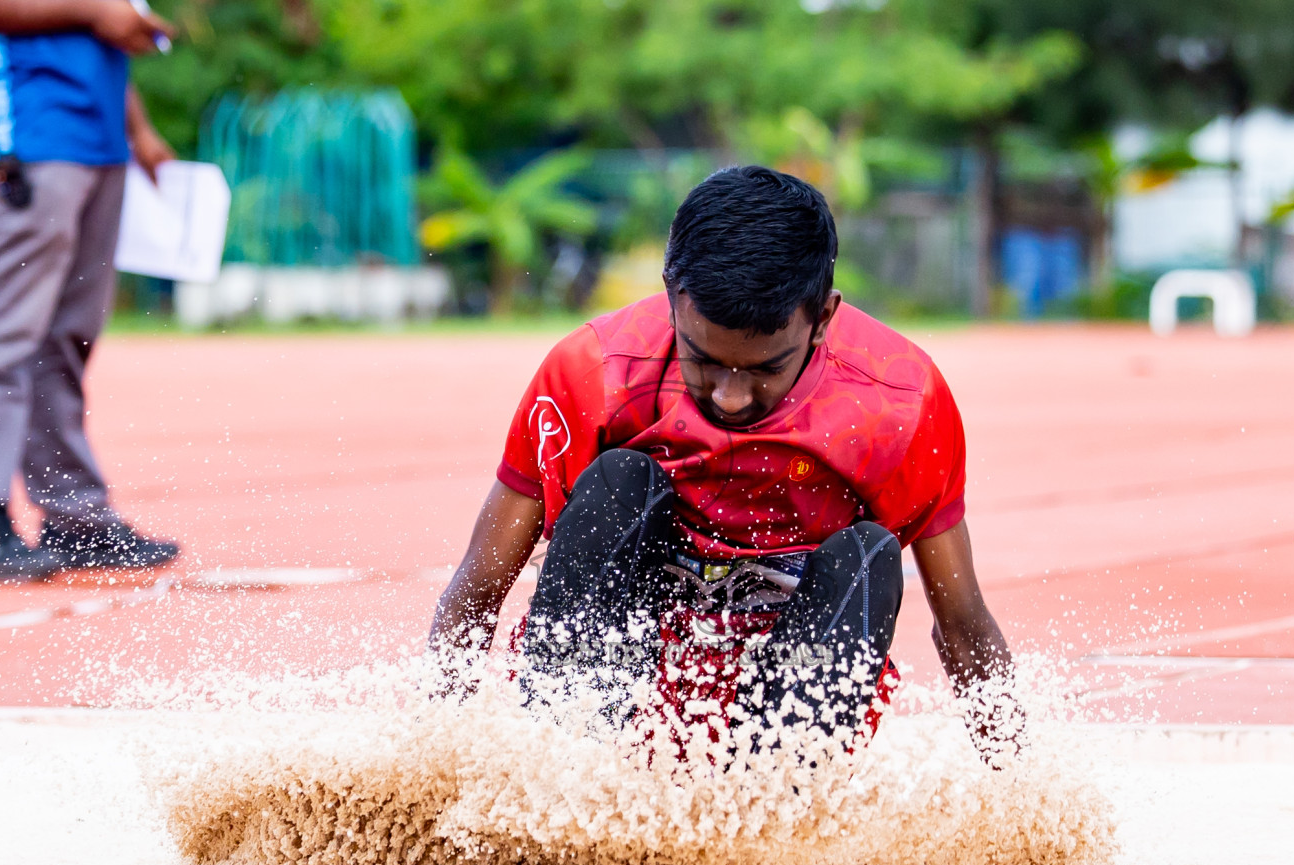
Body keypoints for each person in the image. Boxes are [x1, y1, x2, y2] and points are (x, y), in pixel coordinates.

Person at [429, 166, 1025, 766]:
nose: (730, 397)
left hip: (795, 686)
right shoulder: (596, 371)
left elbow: (964, 622)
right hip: (626, 677)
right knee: (620, 485)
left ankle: (770, 811)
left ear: (822, 319)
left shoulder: (899, 403)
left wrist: (1022, 795)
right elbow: (476, 589)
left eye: (765, 369)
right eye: (704, 360)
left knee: (868, 559)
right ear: (671, 297)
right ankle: (563, 767)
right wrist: (436, 764)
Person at [0, 0, 182, 581]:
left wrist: (138, 130)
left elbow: (104, 36)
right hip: (26, 136)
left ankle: (74, 516)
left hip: (98, 140)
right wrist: (97, 10)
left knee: (65, 337)